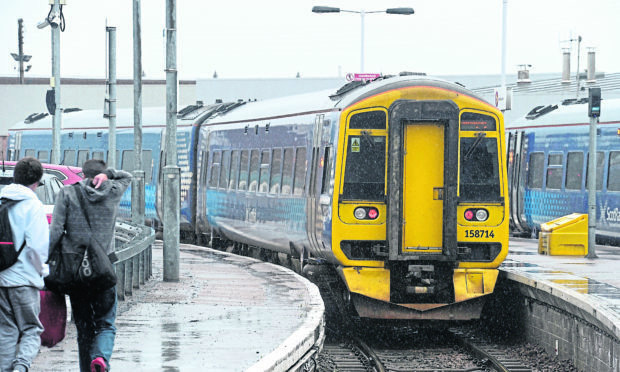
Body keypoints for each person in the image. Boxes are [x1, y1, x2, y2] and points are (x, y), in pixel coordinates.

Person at [49, 159, 132, 372]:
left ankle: (86, 369)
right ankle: (101, 359)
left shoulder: (67, 193)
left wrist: (47, 260)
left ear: (83, 173)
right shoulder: (113, 191)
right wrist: (109, 175)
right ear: (101, 174)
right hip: (104, 269)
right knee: (105, 323)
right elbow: (128, 176)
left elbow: (56, 231)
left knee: (83, 327)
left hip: (76, 271)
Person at [0, 157, 49, 372]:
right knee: (31, 329)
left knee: (6, 330)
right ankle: (21, 367)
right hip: (25, 279)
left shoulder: (2, 200)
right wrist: (43, 272)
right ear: (37, 181)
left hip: (1, 277)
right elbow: (37, 247)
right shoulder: (33, 206)